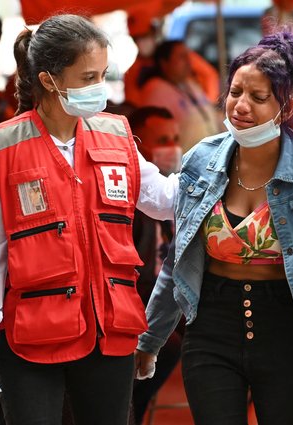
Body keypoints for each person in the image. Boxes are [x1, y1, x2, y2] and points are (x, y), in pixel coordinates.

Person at [0, 14, 178, 425]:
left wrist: (229, 163)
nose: (99, 87)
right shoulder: (1, 147)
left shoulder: (117, 136)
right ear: (49, 80)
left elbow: (165, 198)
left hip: (107, 329)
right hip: (29, 334)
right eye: (88, 76)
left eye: (102, 74)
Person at [135, 29, 293, 425]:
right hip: (211, 326)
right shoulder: (200, 158)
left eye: (258, 97)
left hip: (286, 327)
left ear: (285, 107)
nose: (240, 106)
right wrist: (151, 338)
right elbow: (179, 259)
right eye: (235, 92)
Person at [127, 106, 183, 425]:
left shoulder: (176, 188)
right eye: (163, 139)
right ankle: (133, 408)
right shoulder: (134, 200)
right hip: (142, 300)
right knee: (170, 344)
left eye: (175, 138)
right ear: (139, 146)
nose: (172, 147)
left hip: (175, 293)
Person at [138, 40, 221, 153]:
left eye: (187, 56)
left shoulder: (189, 84)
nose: (188, 62)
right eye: (182, 57)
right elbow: (153, 132)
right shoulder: (155, 89)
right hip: (182, 163)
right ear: (164, 63)